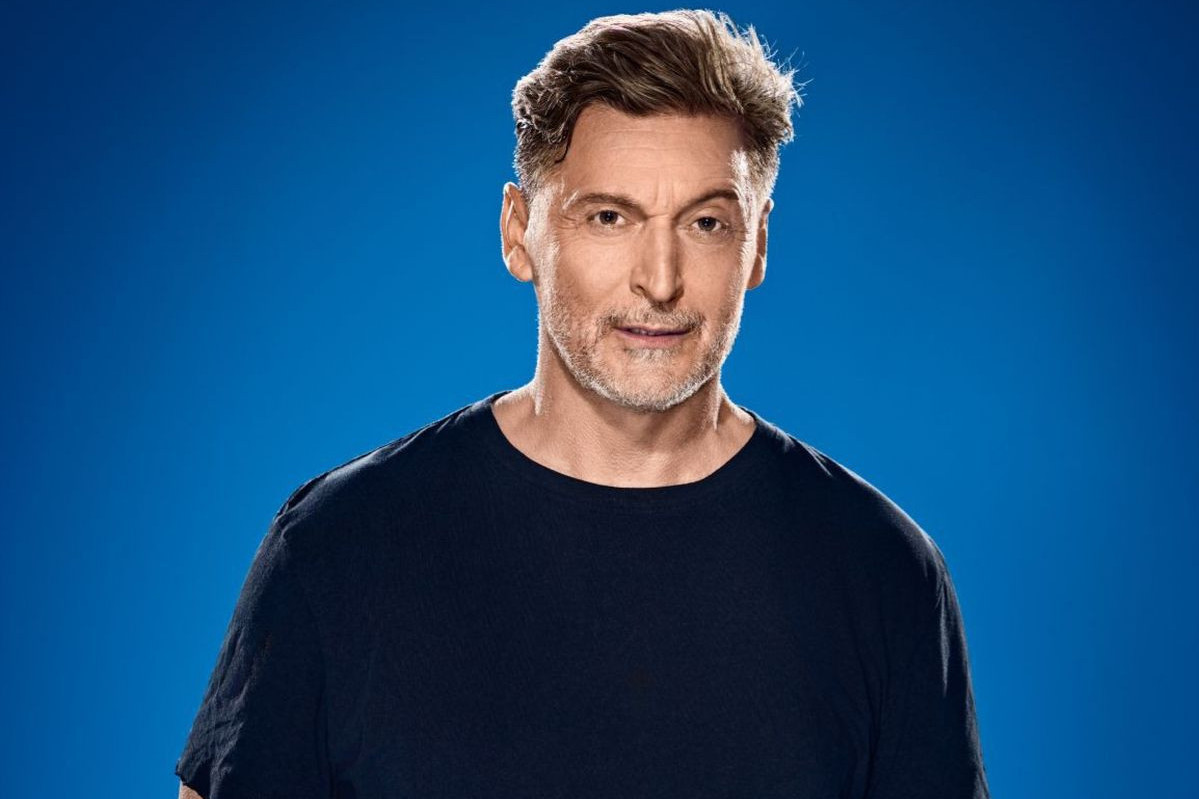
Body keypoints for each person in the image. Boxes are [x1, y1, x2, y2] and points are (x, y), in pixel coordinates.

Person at [176, 10, 990, 798]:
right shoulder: (338, 545)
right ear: (518, 231)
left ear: (758, 244)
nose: (659, 279)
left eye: (706, 223)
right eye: (609, 216)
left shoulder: (881, 571)